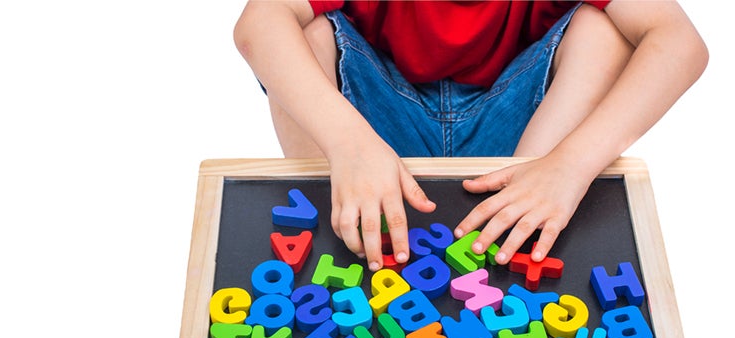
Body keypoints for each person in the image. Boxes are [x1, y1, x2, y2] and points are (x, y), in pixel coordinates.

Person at [233, 0, 708, 273]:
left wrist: (573, 163)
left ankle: (527, 227)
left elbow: (679, 41)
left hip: (519, 135)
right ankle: (341, 233)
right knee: (306, 34)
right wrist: (348, 143)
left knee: (603, 29)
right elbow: (258, 22)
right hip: (378, 130)